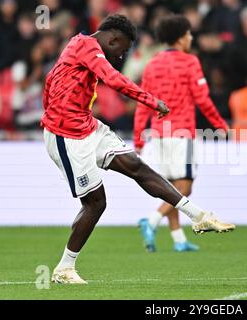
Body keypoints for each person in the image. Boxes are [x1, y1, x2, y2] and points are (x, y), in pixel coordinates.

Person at [41, 14, 235, 284]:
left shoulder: (78, 46)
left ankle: (199, 216)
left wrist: (52, 107)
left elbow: (50, 79)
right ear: (113, 38)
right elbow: (113, 80)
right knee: (96, 203)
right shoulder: (87, 46)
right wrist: (152, 101)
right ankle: (64, 268)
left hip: (86, 125)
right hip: (66, 135)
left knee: (137, 167)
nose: (122, 55)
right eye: (123, 49)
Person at [134, 15, 229, 253]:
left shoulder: (152, 64)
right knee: (185, 188)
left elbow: (143, 103)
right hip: (181, 131)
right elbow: (203, 100)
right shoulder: (190, 62)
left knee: (170, 188)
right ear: (179, 37)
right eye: (188, 34)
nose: (191, 38)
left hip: (158, 134)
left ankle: (178, 239)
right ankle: (152, 221)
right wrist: (220, 125)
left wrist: (138, 137)